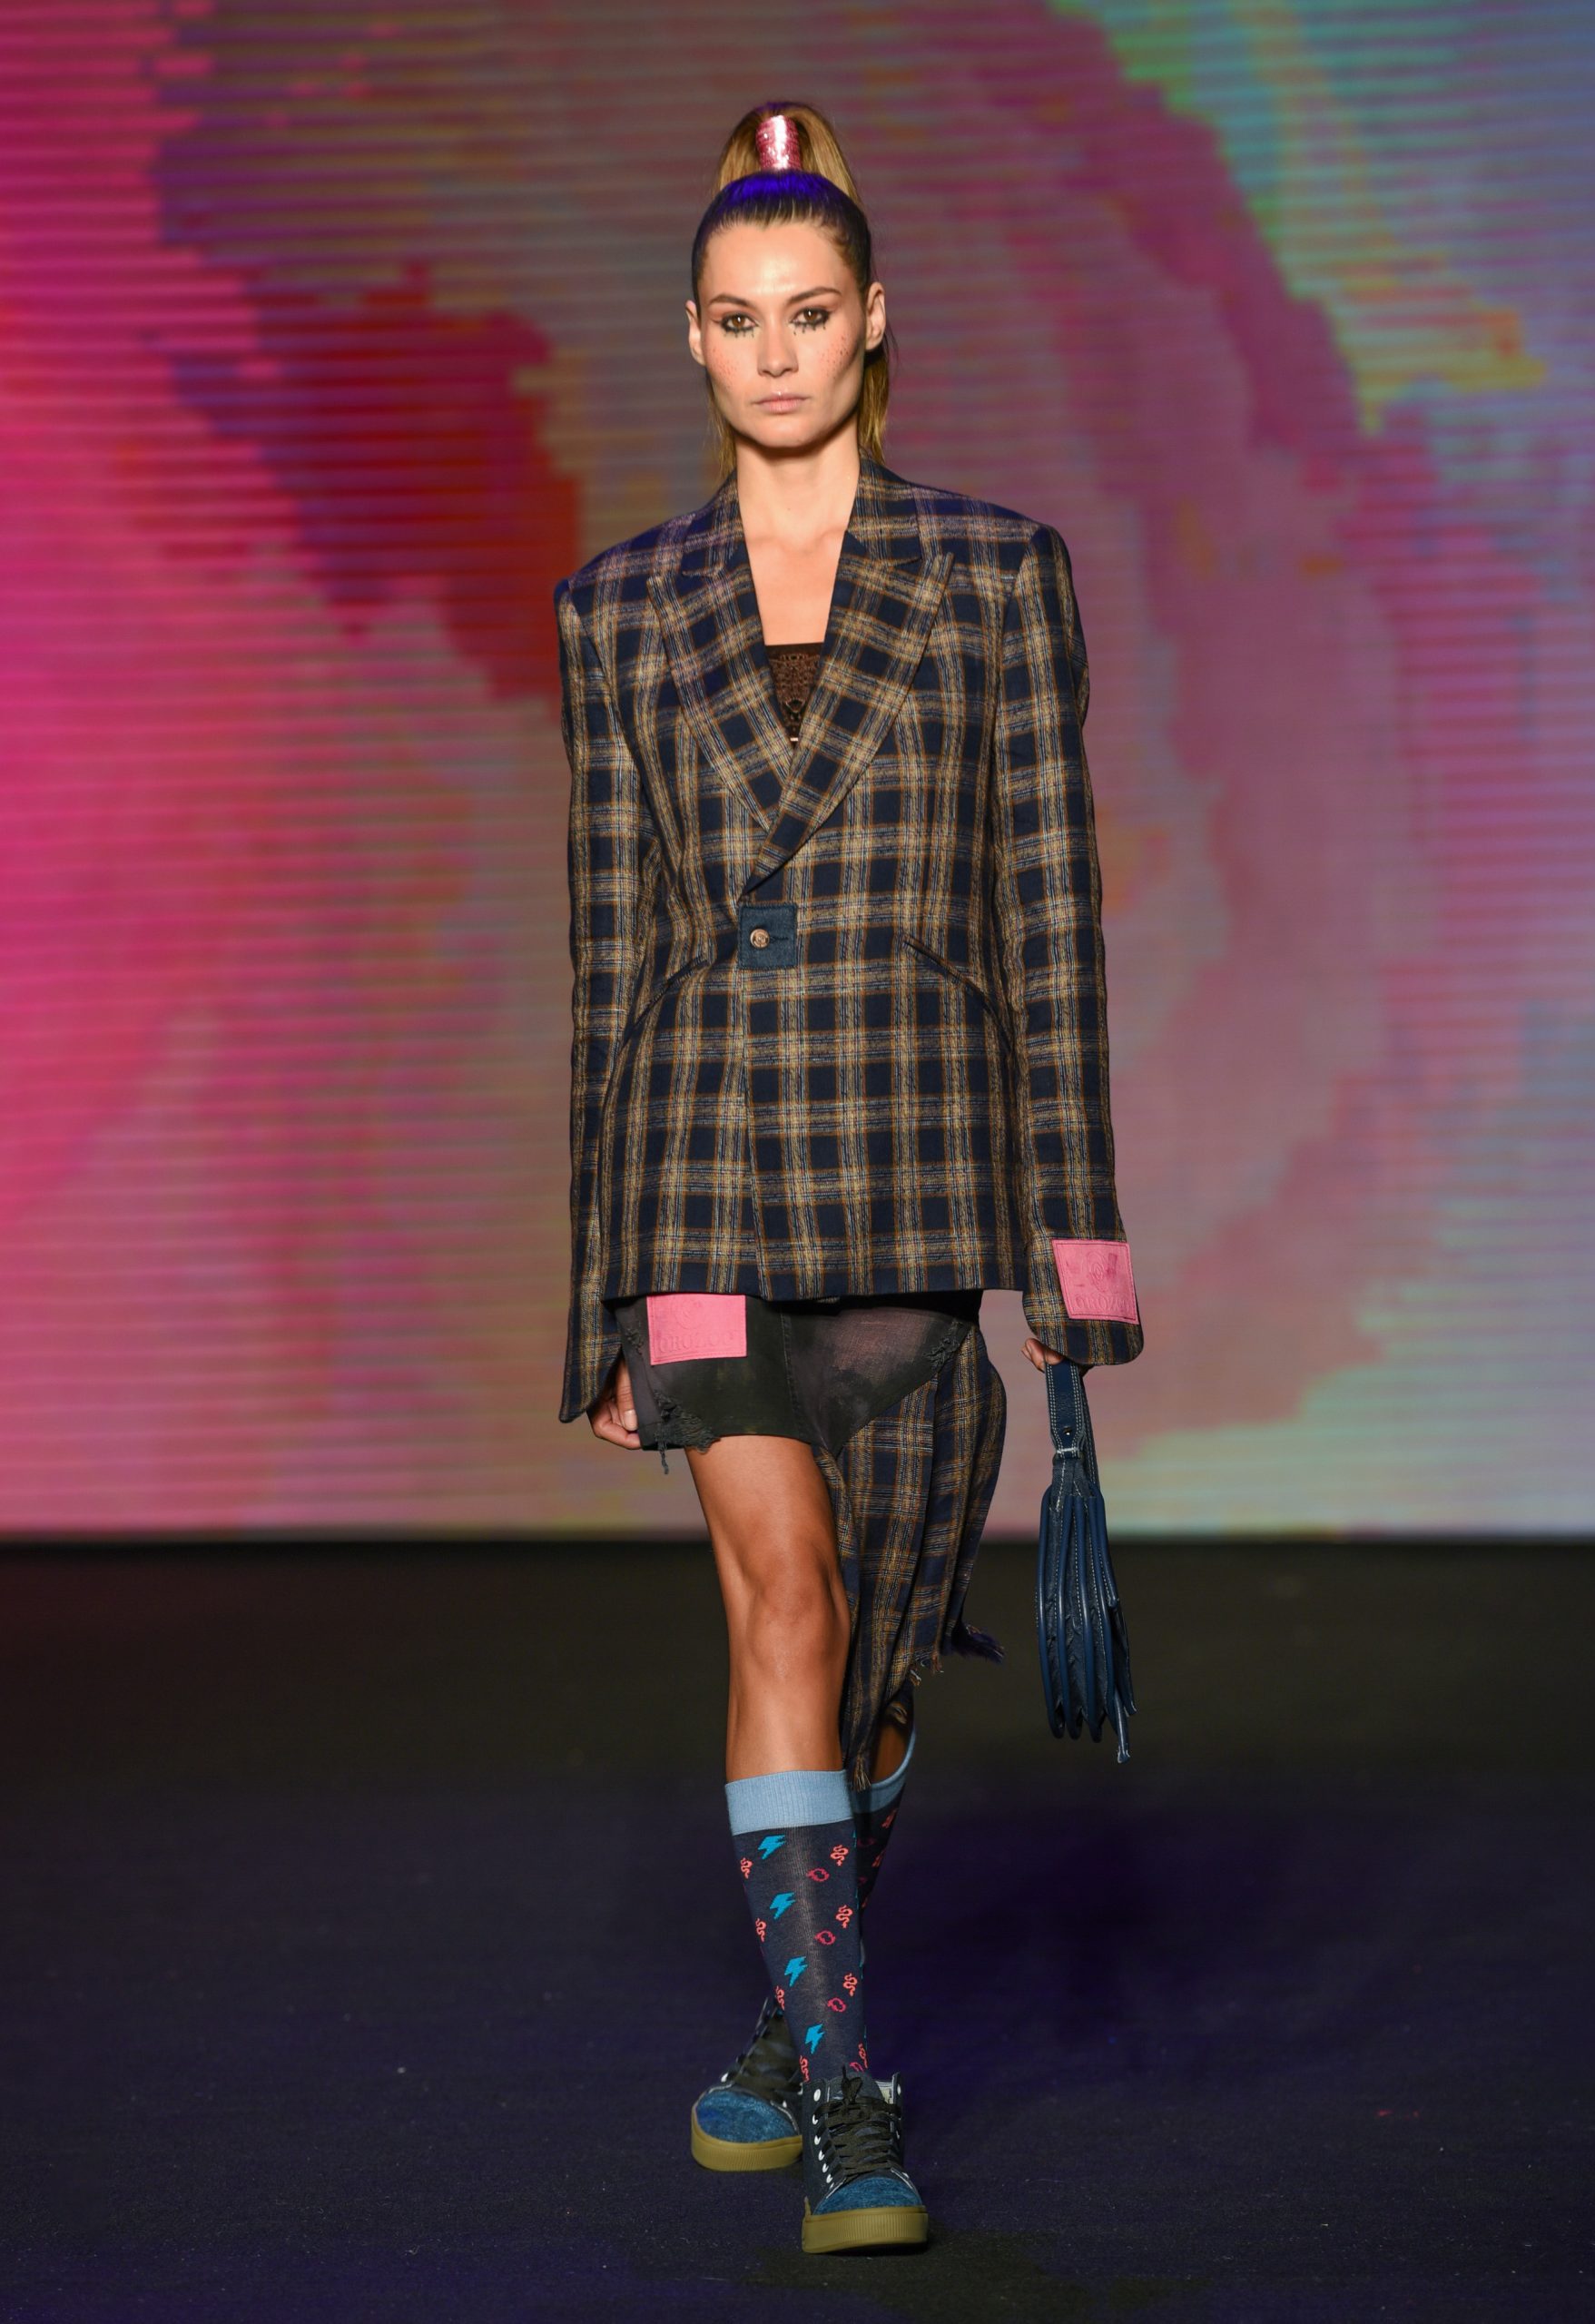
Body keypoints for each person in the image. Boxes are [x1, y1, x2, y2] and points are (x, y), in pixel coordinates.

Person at [554, 99, 1142, 2257]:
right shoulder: (620, 610)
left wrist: (1076, 1241)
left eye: (809, 313)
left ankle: (790, 2021)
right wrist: (600, 1294)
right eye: (738, 319)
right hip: (702, 1177)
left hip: (911, 1171)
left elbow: (1050, 918)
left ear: (873, 319)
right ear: (692, 338)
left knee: (879, 1655)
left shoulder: (992, 577)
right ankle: (845, 2107)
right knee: (781, 1597)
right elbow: (610, 956)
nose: (776, 352)